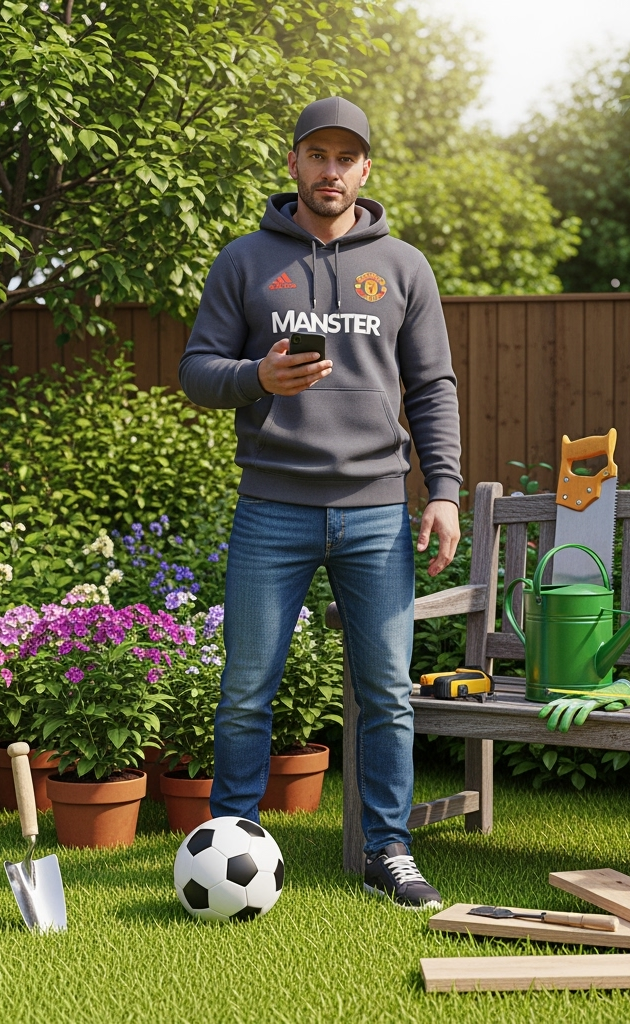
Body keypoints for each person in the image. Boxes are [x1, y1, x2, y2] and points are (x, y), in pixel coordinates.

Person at [178, 97, 462, 909]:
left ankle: (388, 850)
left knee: (387, 693)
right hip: (273, 506)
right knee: (245, 690)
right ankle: (229, 847)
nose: (331, 170)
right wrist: (255, 378)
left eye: (346, 157)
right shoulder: (244, 260)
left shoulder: (403, 266)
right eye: (317, 155)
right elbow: (197, 371)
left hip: (376, 510)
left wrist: (441, 490)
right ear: (295, 163)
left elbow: (433, 386)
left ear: (365, 169)